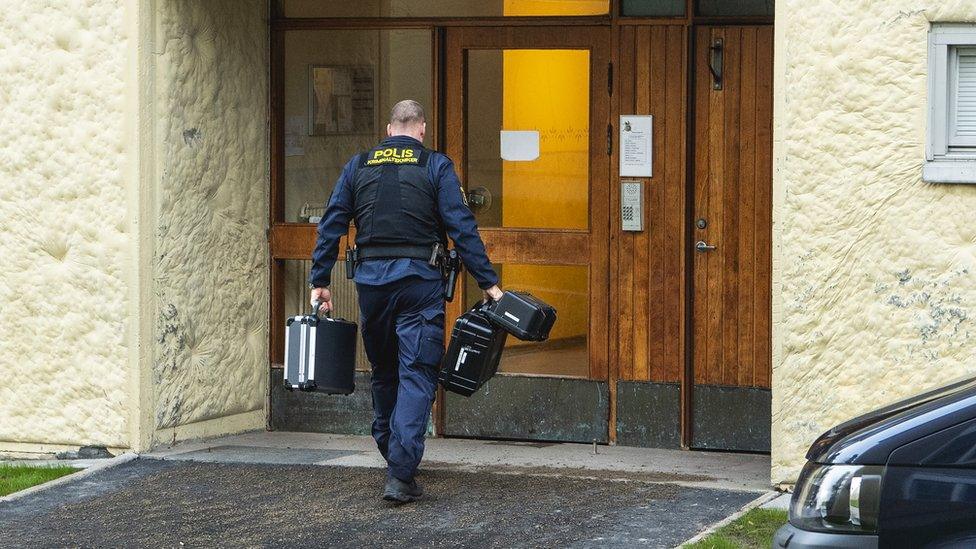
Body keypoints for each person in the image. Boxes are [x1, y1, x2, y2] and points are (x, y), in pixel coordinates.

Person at [308, 99, 503, 503]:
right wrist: (489, 283)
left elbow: (332, 222)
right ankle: (400, 470)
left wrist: (320, 280)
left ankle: (391, 446)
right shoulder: (435, 165)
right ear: (422, 129)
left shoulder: (359, 165)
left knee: (384, 369)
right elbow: (461, 225)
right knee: (417, 370)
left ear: (389, 127)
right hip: (419, 284)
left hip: (373, 285)